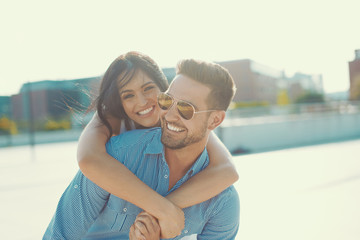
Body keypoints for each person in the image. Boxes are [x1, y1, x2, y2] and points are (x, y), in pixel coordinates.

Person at [43, 53, 239, 239]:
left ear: (215, 121)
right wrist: (164, 210)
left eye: (186, 109)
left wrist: (163, 210)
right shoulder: (115, 152)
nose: (170, 114)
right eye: (167, 101)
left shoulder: (222, 201)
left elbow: (227, 170)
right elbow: (89, 159)